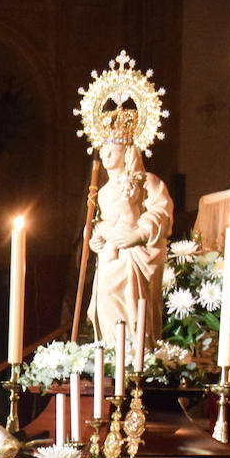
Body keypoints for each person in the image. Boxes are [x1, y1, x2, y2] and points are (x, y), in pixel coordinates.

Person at [87, 135, 172, 348]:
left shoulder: (147, 181)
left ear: (127, 153)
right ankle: (112, 348)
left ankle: (136, 351)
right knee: (105, 299)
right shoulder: (103, 191)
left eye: (113, 150)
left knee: (133, 302)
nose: (105, 155)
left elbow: (161, 211)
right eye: (103, 148)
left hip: (134, 256)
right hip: (109, 256)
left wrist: (139, 234)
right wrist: (95, 238)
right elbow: (102, 222)